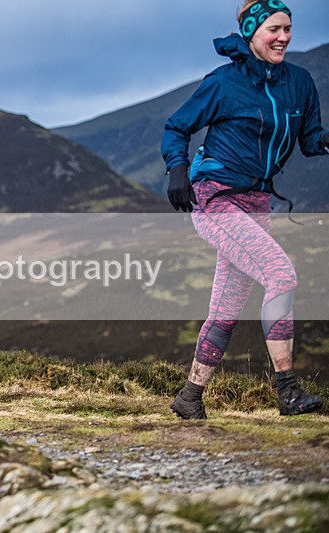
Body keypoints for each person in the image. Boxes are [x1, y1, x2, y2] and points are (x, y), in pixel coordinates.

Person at [162, 0, 328, 419]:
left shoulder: (300, 82)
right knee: (281, 274)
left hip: (256, 202)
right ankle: (287, 392)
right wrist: (177, 171)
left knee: (227, 308)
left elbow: (310, 140)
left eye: (289, 28)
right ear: (253, 32)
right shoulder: (224, 83)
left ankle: (189, 397)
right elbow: (177, 126)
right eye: (275, 28)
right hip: (215, 197)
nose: (284, 37)